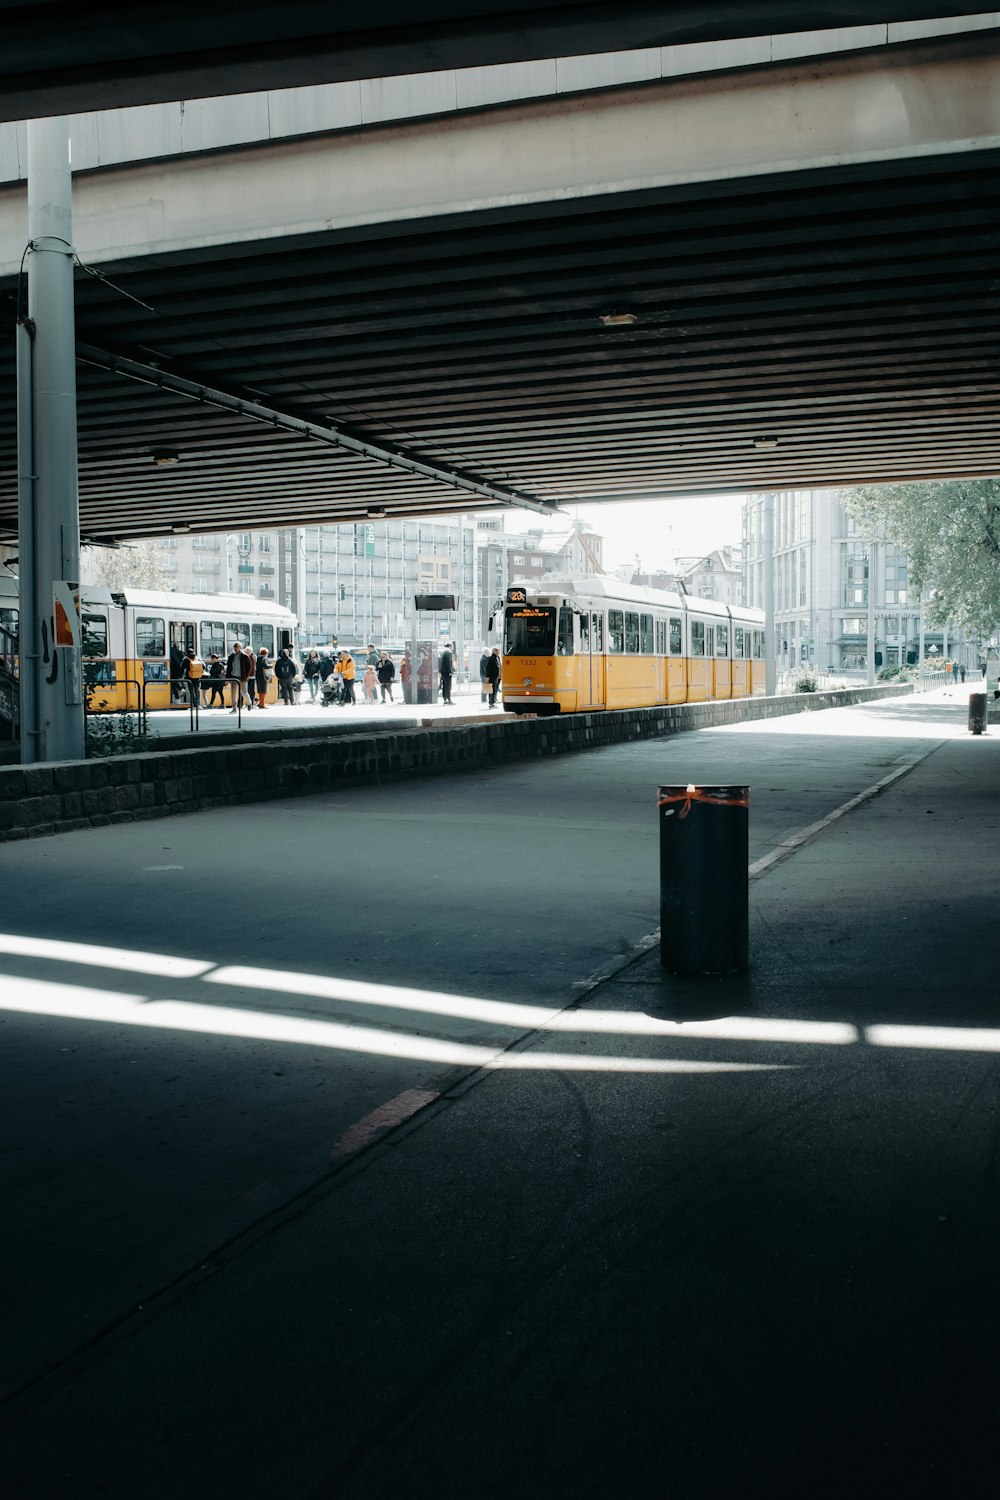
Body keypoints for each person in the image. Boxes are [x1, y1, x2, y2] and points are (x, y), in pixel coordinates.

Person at [226, 642, 254, 713]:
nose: (235, 648)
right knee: (233, 692)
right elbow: (229, 668)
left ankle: (249, 703)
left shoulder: (244, 656)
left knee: (243, 692)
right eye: (234, 647)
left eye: (237, 647)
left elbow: (249, 667)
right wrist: (227, 677)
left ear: (240, 648)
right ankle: (234, 708)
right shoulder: (231, 656)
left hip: (242, 677)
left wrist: (247, 676)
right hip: (234, 676)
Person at [179, 645, 205, 710]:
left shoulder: (186, 659)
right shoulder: (197, 658)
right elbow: (204, 666)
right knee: (197, 691)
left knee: (191, 692)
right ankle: (198, 705)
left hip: (189, 678)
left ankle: (193, 705)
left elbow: (182, 669)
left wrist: (180, 676)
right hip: (198, 678)